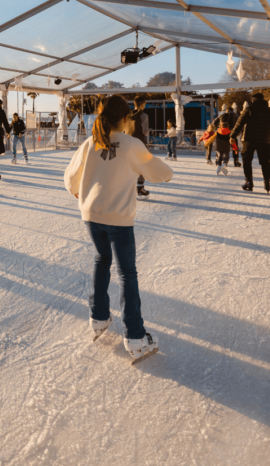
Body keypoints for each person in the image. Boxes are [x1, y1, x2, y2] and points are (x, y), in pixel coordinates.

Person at [64, 95, 172, 362]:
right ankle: (135, 336)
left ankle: (98, 318)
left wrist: (77, 192)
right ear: (125, 119)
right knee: (127, 273)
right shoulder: (131, 144)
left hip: (91, 214)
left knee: (101, 260)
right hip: (118, 218)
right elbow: (161, 173)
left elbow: (70, 177)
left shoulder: (91, 142)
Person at [228, 94, 270, 193]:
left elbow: (239, 123)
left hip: (249, 139)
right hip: (265, 140)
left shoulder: (249, 109)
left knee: (247, 160)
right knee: (265, 162)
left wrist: (232, 136)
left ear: (253, 100)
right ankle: (267, 182)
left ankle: (249, 182)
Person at [128, 96, 151, 197]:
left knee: (130, 165)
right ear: (142, 105)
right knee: (142, 165)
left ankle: (129, 189)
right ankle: (140, 189)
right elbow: (144, 132)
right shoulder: (144, 115)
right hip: (140, 144)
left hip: (128, 143)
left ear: (134, 104)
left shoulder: (127, 115)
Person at [212, 108, 236, 176]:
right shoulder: (234, 116)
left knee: (219, 155)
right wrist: (235, 148)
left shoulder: (221, 116)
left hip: (219, 144)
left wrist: (217, 127)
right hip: (227, 144)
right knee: (226, 156)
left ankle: (218, 166)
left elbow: (214, 123)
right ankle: (224, 165)